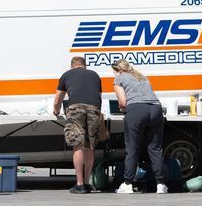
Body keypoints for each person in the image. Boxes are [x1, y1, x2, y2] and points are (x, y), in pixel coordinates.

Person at [112, 59, 167, 194]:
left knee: (132, 148)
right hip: (155, 109)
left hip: (136, 110)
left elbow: (123, 103)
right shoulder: (141, 76)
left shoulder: (119, 79)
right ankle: (161, 184)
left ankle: (128, 184)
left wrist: (121, 108)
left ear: (117, 70)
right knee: (155, 148)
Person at [54, 56, 107, 194]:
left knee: (78, 144)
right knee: (90, 146)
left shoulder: (67, 74)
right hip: (94, 109)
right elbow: (99, 96)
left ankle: (79, 184)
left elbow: (58, 97)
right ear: (85, 65)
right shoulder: (95, 75)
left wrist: (56, 110)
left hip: (76, 108)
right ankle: (87, 182)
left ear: (72, 65)